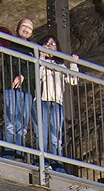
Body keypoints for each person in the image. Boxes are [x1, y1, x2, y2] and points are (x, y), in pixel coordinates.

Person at [5, 16, 37, 151]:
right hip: (11, 87)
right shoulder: (11, 44)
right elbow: (12, 62)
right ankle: (8, 152)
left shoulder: (33, 49)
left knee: (22, 124)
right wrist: (25, 69)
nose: (26, 29)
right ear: (18, 28)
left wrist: (23, 74)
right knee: (11, 122)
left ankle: (19, 152)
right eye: (24, 26)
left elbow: (34, 68)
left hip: (27, 90)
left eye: (29, 28)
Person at [37, 36, 66, 161]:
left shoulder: (61, 65)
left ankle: (57, 163)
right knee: (42, 134)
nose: (49, 45)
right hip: (43, 100)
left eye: (53, 43)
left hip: (57, 102)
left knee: (56, 136)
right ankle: (40, 161)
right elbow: (38, 75)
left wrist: (74, 64)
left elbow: (73, 79)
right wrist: (42, 58)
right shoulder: (39, 61)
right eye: (46, 43)